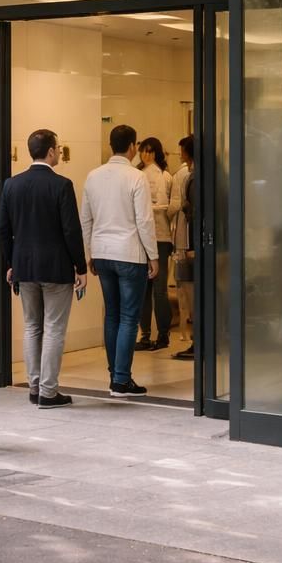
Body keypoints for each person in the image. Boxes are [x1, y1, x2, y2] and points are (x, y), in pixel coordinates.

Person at [0, 128, 87, 408]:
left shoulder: (12, 185)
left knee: (32, 326)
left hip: (24, 267)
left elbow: (2, 229)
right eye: (58, 148)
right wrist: (80, 267)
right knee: (54, 328)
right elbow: (71, 230)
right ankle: (49, 392)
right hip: (56, 267)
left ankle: (34, 387)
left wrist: (10, 263)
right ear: (49, 151)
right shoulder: (62, 185)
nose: (59, 152)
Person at [81, 124, 157, 398]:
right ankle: (122, 380)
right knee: (128, 317)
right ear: (133, 146)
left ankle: (115, 374)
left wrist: (89, 252)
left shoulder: (93, 176)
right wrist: (153, 255)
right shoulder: (136, 177)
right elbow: (144, 221)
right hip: (129, 253)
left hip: (102, 253)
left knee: (111, 314)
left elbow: (85, 219)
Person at [135, 136, 174, 352]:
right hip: (141, 238)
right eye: (143, 151)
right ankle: (146, 335)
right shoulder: (137, 174)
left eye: (150, 151)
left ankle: (163, 334)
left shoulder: (165, 176)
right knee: (143, 289)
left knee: (159, 289)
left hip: (161, 237)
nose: (146, 155)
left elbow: (168, 207)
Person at [169, 135, 196, 361]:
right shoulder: (190, 175)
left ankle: (198, 341)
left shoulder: (191, 177)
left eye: (182, 151)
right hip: (187, 242)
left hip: (189, 244)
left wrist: (191, 245)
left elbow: (190, 212)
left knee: (191, 293)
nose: (180, 155)